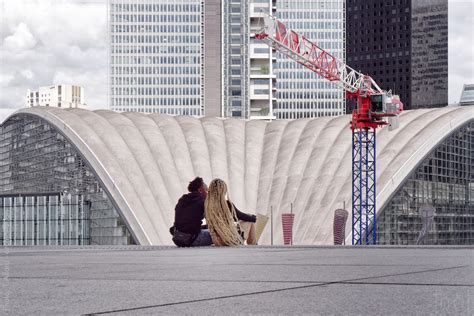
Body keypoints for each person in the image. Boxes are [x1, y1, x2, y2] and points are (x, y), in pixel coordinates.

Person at [204, 178, 257, 246]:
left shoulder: (208, 207)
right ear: (223, 190)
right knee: (249, 220)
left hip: (218, 242)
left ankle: (253, 244)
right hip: (232, 240)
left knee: (246, 219)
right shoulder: (226, 205)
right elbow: (241, 216)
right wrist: (254, 218)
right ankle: (253, 245)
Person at [171, 177, 212, 247]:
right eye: (206, 189)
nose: (208, 192)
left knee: (205, 229)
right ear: (200, 190)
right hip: (191, 240)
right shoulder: (203, 201)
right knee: (219, 234)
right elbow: (212, 222)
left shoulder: (182, 199)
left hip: (178, 239)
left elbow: (187, 223)